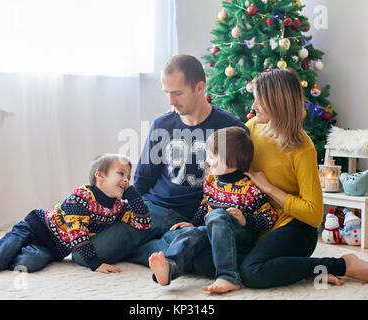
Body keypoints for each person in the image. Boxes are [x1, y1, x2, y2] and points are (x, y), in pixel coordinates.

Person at [72, 54, 247, 275]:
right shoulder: (162, 124)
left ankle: (154, 248)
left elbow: (237, 183)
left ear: (200, 87)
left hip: (192, 219)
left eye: (177, 93)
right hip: (152, 210)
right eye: (167, 93)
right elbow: (144, 179)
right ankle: (158, 248)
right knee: (82, 254)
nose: (171, 101)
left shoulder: (230, 128)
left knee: (205, 260)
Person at [237, 68, 368, 288]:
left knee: (252, 273)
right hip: (261, 221)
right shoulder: (251, 129)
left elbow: (314, 214)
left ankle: (342, 264)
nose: (253, 107)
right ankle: (301, 268)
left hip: (295, 227)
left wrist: (269, 188)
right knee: (211, 260)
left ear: (277, 103)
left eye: (259, 102)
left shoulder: (302, 147)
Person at [0, 154, 152, 274]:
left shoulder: (117, 208)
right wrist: (95, 264)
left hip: (53, 248)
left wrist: (133, 196)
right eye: (120, 174)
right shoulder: (81, 196)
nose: (126, 180)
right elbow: (76, 233)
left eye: (128, 176)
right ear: (100, 177)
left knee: (29, 264)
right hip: (35, 227)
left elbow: (143, 223)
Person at [148, 126, 278, 293]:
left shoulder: (249, 187)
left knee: (217, 216)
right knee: (191, 233)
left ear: (232, 160)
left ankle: (229, 277)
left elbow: (269, 216)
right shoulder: (212, 180)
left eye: (211, 156)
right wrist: (192, 223)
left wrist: (246, 220)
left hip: (240, 235)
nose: (207, 161)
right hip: (213, 230)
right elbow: (205, 205)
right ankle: (170, 268)